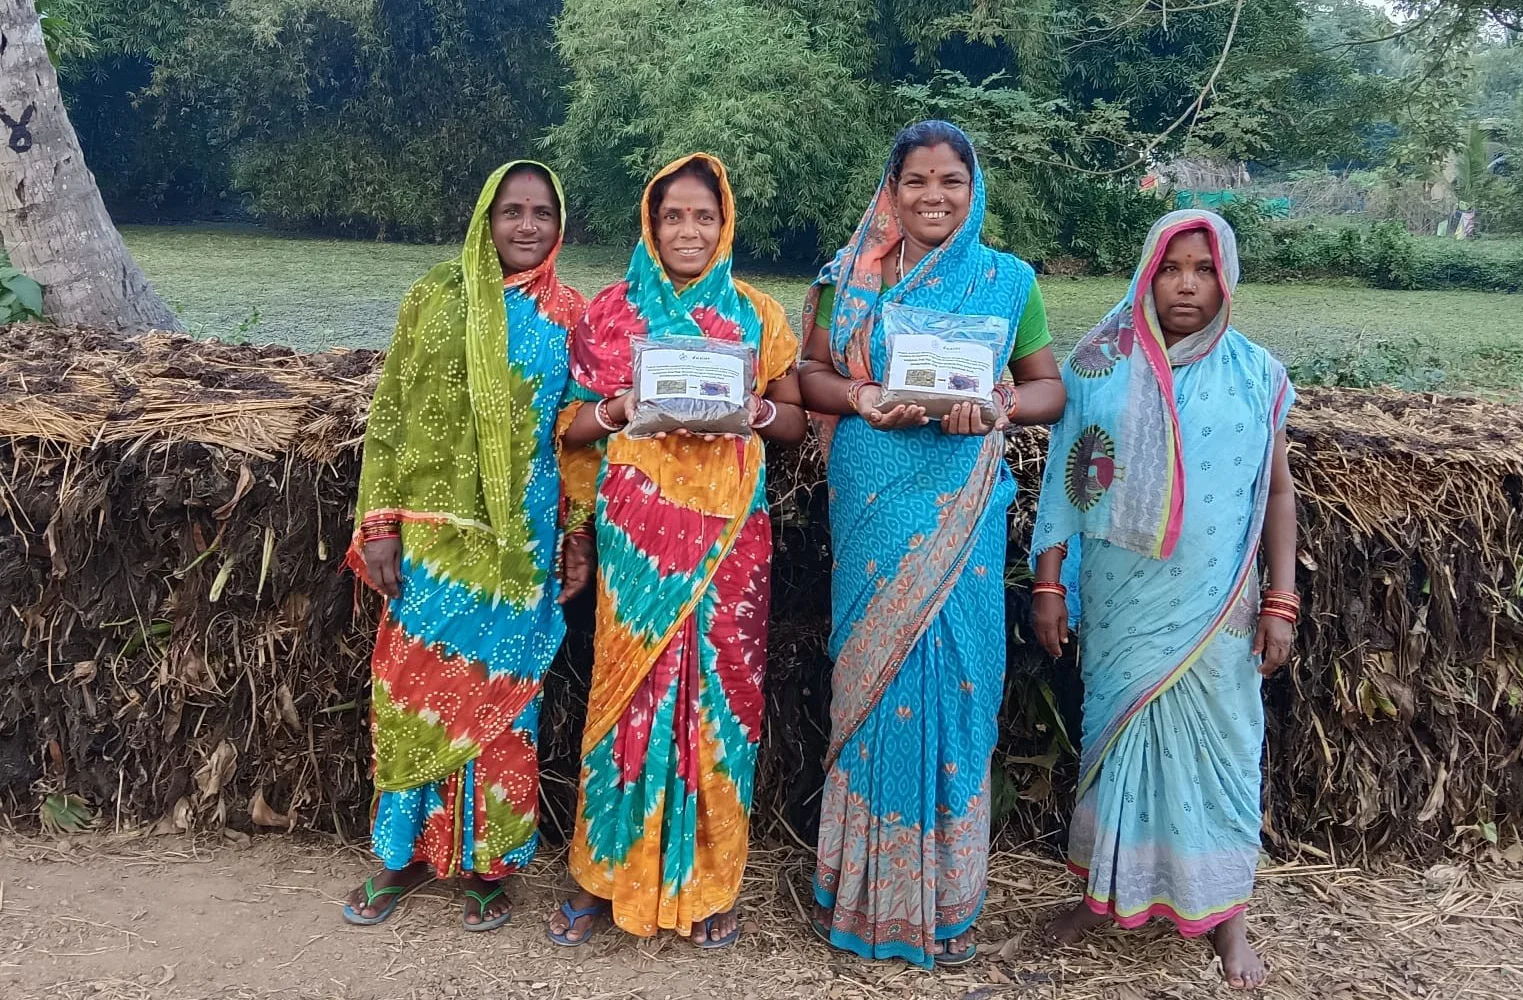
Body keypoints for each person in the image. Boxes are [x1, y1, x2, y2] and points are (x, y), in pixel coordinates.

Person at [798, 120, 1066, 968]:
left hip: (963, 507)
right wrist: (864, 396)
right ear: (892, 190)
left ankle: (941, 907)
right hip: (875, 497)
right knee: (869, 684)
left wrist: (996, 408)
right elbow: (809, 378)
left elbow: (1048, 390)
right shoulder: (850, 279)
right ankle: (858, 895)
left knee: (952, 683)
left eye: (950, 179)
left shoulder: (1006, 280)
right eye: (915, 180)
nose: (933, 196)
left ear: (972, 188)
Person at [1029, 210, 1298, 991]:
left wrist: (1281, 599)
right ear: (1146, 272)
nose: (1186, 284)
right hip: (1120, 599)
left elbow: (1274, 491)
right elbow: (1064, 480)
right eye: (1171, 266)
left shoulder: (1258, 375)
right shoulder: (1097, 365)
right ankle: (1097, 899)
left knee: (1223, 751)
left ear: (1227, 279)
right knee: (1114, 745)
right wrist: (1049, 582)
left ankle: (1227, 922)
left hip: (1218, 606)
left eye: (1203, 269)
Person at [546, 153, 806, 950]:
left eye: (702, 216)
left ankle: (710, 880)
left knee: (720, 707)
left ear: (723, 222)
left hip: (730, 541)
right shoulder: (612, 313)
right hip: (640, 540)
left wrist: (749, 409)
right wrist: (623, 407)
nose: (687, 231)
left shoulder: (758, 314)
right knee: (623, 696)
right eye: (672, 217)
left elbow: (793, 424)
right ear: (648, 225)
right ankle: (603, 875)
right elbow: (571, 428)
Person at [342, 161, 595, 932]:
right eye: (511, 211)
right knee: (412, 692)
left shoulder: (571, 314)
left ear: (559, 224)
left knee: (505, 706)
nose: (527, 226)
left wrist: (576, 536)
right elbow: (392, 414)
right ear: (485, 219)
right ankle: (398, 856)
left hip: (522, 544)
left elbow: (576, 436)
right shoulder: (435, 297)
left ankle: (489, 863)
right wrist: (379, 524)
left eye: (542, 212)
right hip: (434, 543)